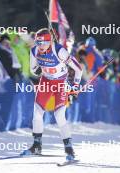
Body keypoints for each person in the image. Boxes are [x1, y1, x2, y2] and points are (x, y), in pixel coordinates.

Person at [21, 28, 83, 161]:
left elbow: (78, 69)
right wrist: (38, 70)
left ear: (50, 41)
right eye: (38, 42)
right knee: (37, 112)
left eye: (43, 42)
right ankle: (37, 145)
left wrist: (75, 87)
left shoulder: (60, 51)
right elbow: (33, 69)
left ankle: (69, 148)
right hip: (46, 81)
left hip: (61, 82)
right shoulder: (35, 50)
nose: (40, 45)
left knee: (59, 115)